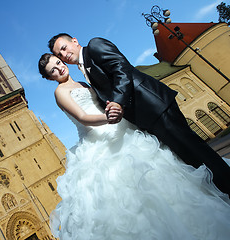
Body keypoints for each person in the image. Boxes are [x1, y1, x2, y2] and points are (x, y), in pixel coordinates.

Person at [38, 53, 230, 240]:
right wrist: (108, 117)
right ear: (49, 77)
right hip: (98, 138)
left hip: (119, 126)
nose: (59, 68)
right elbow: (83, 117)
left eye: (58, 62)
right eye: (52, 70)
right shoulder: (60, 92)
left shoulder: (81, 83)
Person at [48, 33, 230, 196]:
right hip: (144, 116)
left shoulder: (94, 46)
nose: (64, 55)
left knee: (195, 151)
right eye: (59, 55)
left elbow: (121, 69)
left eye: (63, 48)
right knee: (188, 157)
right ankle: (221, 190)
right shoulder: (83, 67)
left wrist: (117, 102)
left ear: (74, 41)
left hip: (153, 106)